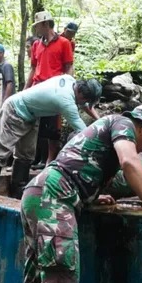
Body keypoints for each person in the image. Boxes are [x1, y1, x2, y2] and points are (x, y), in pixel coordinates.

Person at [17, 105, 142, 283]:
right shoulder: (123, 123)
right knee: (60, 282)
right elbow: (129, 162)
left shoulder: (106, 135)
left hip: (38, 193)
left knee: (36, 281)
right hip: (53, 196)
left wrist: (91, 196)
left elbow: (79, 167)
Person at [0, 75, 102, 199]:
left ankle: (18, 192)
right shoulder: (65, 100)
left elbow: (85, 106)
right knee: (1, 153)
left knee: (26, 155)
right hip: (15, 110)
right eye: (85, 100)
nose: (84, 104)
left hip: (31, 115)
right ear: (82, 95)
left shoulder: (70, 81)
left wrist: (102, 121)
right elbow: (83, 131)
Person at [26, 12, 100, 167]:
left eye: (37, 25)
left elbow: (68, 66)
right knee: (33, 126)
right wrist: (25, 89)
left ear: (46, 24)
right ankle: (32, 158)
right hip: (38, 89)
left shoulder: (64, 43)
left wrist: (67, 87)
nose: (36, 29)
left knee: (53, 128)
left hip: (56, 91)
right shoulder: (36, 45)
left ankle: (49, 160)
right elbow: (33, 69)